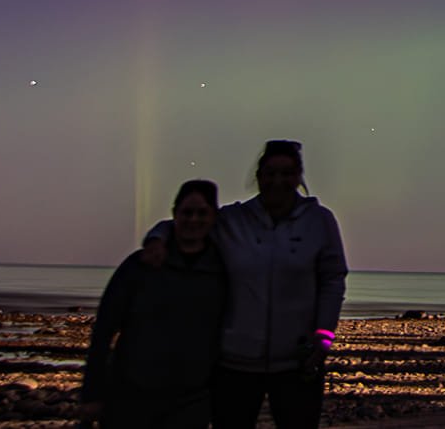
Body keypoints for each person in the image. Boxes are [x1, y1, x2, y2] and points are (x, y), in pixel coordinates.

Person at [148, 139, 348, 429]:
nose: (277, 181)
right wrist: (156, 240)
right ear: (258, 176)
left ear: (298, 177)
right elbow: (183, 224)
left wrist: (324, 334)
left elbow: (333, 279)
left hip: (298, 363)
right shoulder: (232, 220)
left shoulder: (319, 221)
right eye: (270, 173)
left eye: (287, 173)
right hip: (234, 363)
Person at [82, 180, 227, 428]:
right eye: (187, 212)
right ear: (174, 215)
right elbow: (104, 329)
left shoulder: (223, 270)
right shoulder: (141, 265)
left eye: (202, 213)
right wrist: (92, 393)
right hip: (130, 394)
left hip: (191, 400)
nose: (193, 220)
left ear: (214, 217)